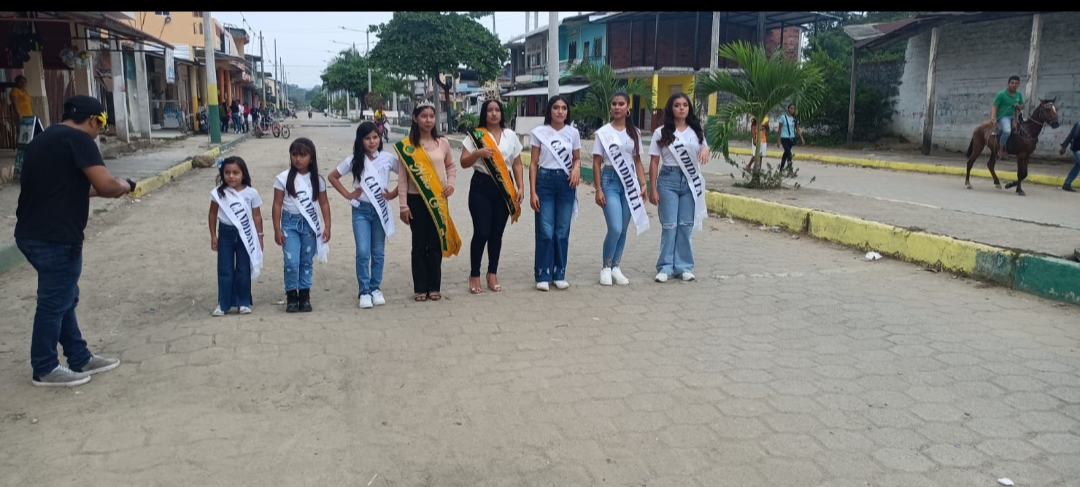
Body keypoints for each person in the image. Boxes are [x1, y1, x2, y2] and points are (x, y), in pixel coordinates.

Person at [14, 95, 133, 387]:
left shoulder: (42, 140)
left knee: (64, 296)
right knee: (55, 301)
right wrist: (123, 185)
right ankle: (44, 367)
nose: (99, 130)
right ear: (93, 120)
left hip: (30, 234)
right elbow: (104, 185)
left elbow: (69, 188)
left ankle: (79, 356)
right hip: (56, 237)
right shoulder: (80, 140)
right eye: (101, 124)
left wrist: (111, 186)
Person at [393, 101, 460, 302]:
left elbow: (451, 166)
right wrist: (403, 206)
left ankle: (434, 286)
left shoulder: (443, 143)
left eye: (432, 116)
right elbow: (403, 179)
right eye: (424, 116)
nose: (428, 120)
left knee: (435, 243)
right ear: (415, 118)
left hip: (438, 199)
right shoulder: (406, 147)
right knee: (419, 244)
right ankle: (420, 287)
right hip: (415, 200)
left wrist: (451, 184)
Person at [328, 122, 399, 309]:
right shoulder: (354, 160)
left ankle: (375, 288)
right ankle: (364, 291)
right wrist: (348, 194)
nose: (372, 141)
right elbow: (332, 176)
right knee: (362, 251)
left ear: (380, 138)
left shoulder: (388, 158)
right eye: (367, 138)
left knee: (378, 252)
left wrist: (394, 193)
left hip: (380, 211)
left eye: (375, 137)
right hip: (361, 210)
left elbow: (407, 174)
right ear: (360, 140)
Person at [461, 99, 524, 294]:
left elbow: (517, 163)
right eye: (490, 110)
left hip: (504, 188)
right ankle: (474, 274)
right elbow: (463, 162)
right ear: (484, 113)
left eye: (497, 110)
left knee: (497, 233)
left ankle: (492, 273)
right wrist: (477, 153)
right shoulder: (476, 135)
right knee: (482, 232)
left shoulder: (510, 135)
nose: (494, 113)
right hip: (481, 185)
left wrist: (521, 186)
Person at [648, 93, 710, 283]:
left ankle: (684, 266)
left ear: (689, 108)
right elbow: (654, 161)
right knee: (669, 225)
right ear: (671, 108)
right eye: (677, 105)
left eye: (685, 105)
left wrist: (705, 149)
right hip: (668, 180)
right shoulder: (661, 132)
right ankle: (665, 267)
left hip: (690, 182)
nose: (682, 108)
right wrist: (652, 188)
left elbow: (704, 148)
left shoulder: (696, 131)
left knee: (685, 225)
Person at [592, 92, 649, 286]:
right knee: (615, 227)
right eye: (614, 104)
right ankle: (605, 267)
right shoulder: (603, 133)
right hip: (609, 180)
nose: (617, 107)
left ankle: (616, 266)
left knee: (623, 228)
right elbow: (596, 162)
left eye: (621, 104)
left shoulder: (635, 133)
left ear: (628, 108)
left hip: (630, 183)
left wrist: (643, 184)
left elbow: (637, 161)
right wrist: (598, 189)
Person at [529, 95, 582, 291]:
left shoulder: (573, 133)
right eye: (556, 107)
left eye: (564, 108)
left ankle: (559, 273)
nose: (560, 111)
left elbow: (577, 158)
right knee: (545, 230)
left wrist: (576, 168)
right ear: (549, 110)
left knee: (562, 231)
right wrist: (533, 191)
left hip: (566, 183)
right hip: (544, 181)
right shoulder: (540, 132)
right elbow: (533, 163)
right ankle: (543, 274)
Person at [273, 138, 331, 313]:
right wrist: (277, 229)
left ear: (311, 157)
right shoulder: (283, 178)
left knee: (306, 261)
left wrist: (327, 226)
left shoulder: (318, 180)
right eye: (294, 154)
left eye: (303, 155)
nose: (298, 159)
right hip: (289, 224)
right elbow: (277, 204)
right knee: (291, 262)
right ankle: (291, 294)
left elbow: (324, 203)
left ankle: (305, 295)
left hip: (309, 226)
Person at [208, 156, 264, 316]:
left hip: (245, 235)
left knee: (243, 269)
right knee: (224, 269)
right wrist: (213, 235)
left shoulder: (251, 193)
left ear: (243, 174)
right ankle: (223, 303)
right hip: (225, 233)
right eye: (227, 173)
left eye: (235, 172)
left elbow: (257, 216)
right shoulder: (219, 193)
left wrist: (260, 237)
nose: (231, 176)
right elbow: (212, 214)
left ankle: (243, 302)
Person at [992, 75, 1025, 160]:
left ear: (1019, 84)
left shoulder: (1018, 95)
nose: (1014, 85)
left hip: (1015, 116)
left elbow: (1022, 105)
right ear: (1008, 84)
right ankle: (1001, 150)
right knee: (1007, 131)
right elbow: (995, 106)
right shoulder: (1001, 94)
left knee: (1024, 130)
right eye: (1012, 83)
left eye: (1016, 83)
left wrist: (1019, 106)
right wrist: (993, 118)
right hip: (1003, 117)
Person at [777, 104, 805, 173]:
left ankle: (781, 169)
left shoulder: (794, 119)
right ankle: (790, 170)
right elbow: (779, 129)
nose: (792, 110)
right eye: (791, 108)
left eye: (793, 108)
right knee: (789, 154)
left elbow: (797, 129)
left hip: (791, 138)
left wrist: (801, 138)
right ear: (788, 109)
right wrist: (778, 140)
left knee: (786, 154)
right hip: (784, 138)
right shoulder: (783, 117)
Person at [1060, 119, 1080, 192]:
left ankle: (1067, 184)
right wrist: (1064, 146)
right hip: (1077, 149)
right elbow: (1070, 135)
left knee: (1077, 167)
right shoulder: (1078, 125)